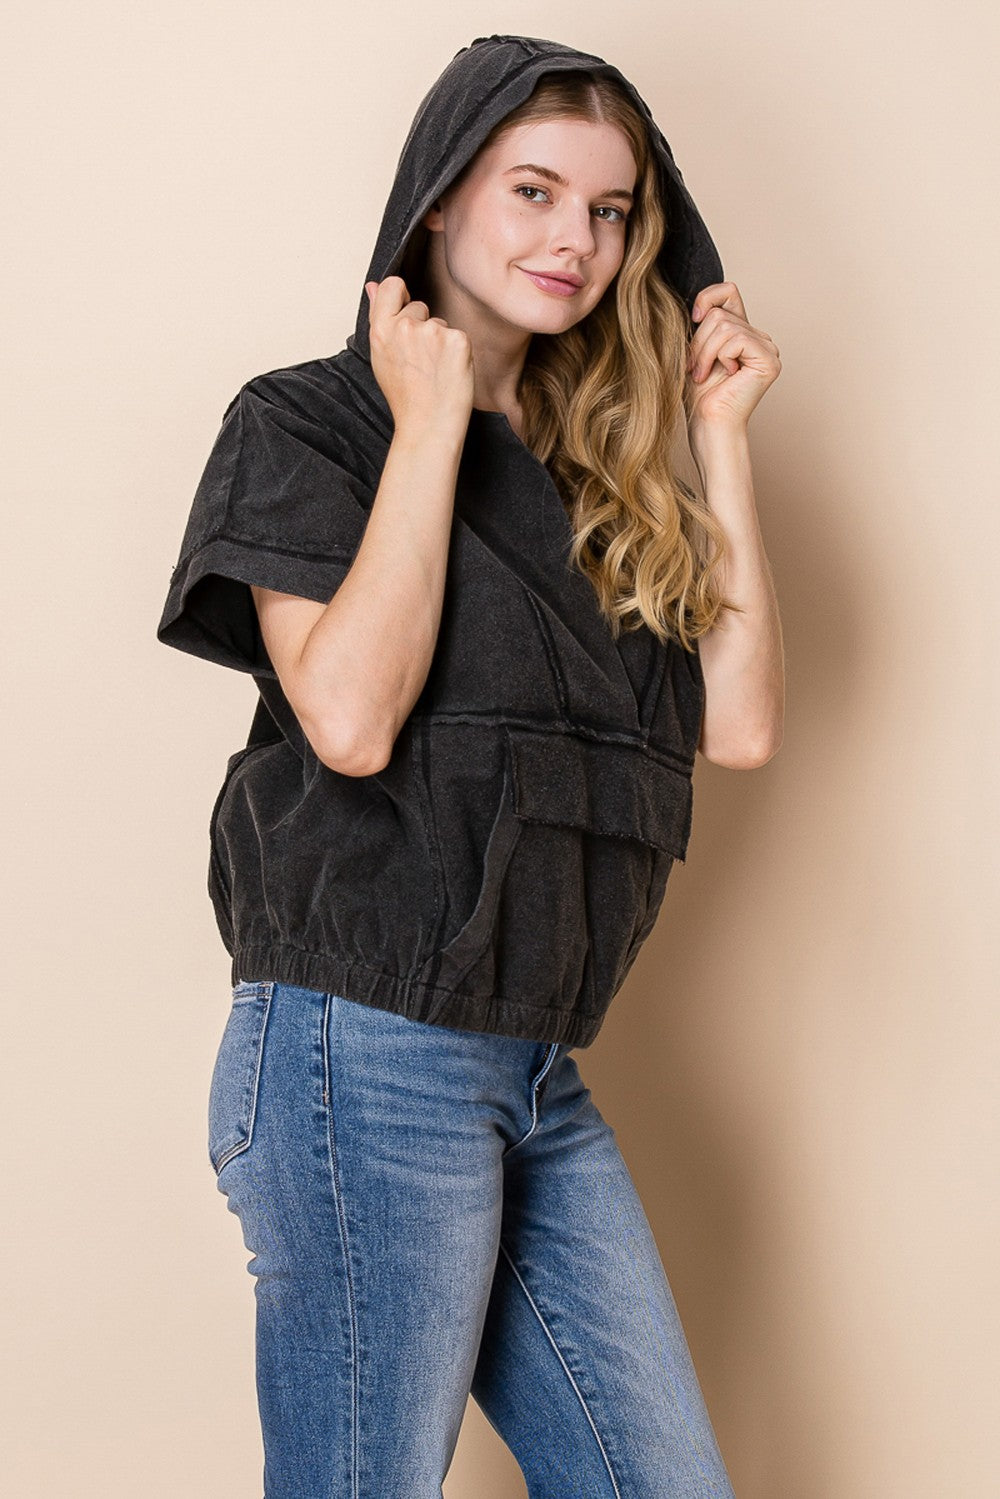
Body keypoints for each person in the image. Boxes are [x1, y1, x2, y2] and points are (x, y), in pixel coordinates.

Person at [157, 32, 783, 1499]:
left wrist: (717, 437)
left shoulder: (601, 482)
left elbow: (740, 723)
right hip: (359, 1052)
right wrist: (431, 425)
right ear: (440, 198)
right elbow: (351, 721)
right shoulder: (306, 424)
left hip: (533, 1066)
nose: (576, 239)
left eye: (610, 211)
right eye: (533, 191)